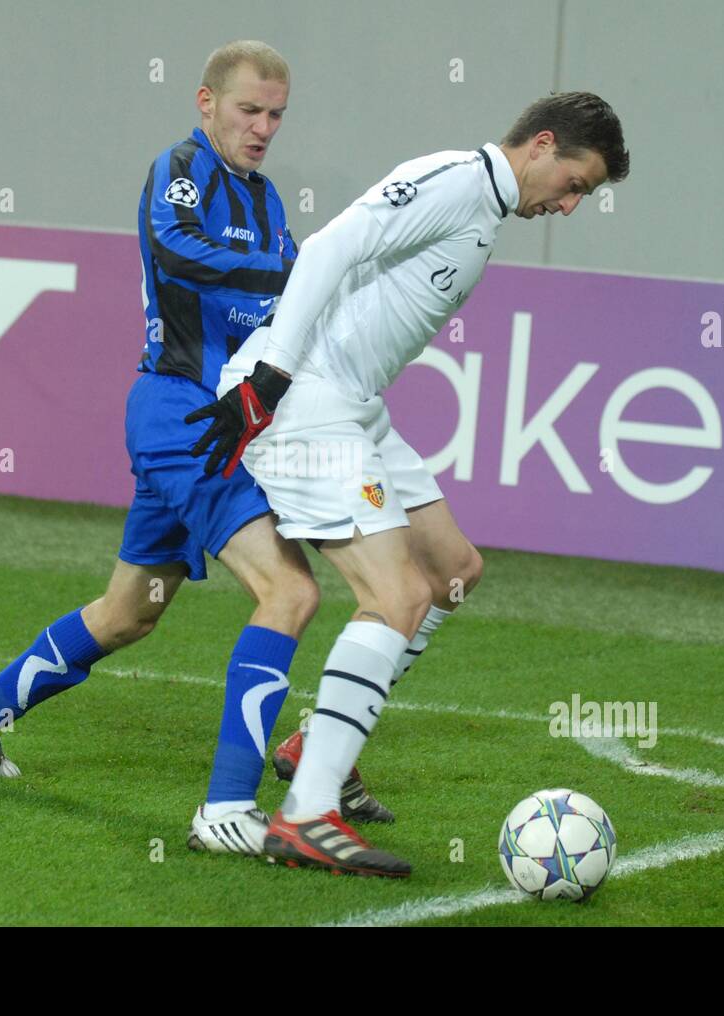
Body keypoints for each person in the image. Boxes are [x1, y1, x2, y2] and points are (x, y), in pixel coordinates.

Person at [0, 41, 387, 858]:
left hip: (216, 422)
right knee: (290, 593)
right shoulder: (180, 168)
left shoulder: (269, 200)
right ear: (205, 103)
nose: (263, 127)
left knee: (129, 612)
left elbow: (287, 304)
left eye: (277, 114)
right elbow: (176, 250)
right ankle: (225, 809)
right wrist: (288, 272)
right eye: (249, 109)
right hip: (184, 416)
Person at [187, 91, 630, 876]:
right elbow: (327, 249)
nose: (568, 204)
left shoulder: (486, 208)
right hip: (306, 397)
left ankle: (314, 741)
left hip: (354, 407)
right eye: (575, 183)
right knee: (396, 598)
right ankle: (307, 813)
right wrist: (272, 373)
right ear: (543, 144)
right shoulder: (458, 182)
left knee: (454, 573)